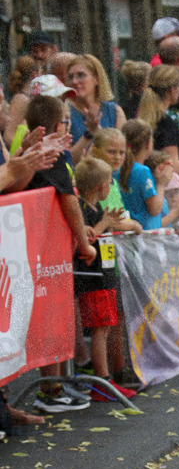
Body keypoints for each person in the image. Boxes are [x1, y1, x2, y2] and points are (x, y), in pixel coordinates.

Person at [24, 95, 97, 414]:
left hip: (48, 248)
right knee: (47, 318)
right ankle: (50, 390)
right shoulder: (51, 154)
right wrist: (84, 243)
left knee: (53, 315)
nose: (70, 125)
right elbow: (68, 200)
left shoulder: (47, 152)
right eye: (67, 120)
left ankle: (57, 384)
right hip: (45, 250)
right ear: (56, 125)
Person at [72, 157, 139, 402]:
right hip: (93, 279)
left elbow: (107, 227)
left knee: (108, 326)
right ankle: (102, 382)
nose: (110, 187)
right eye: (109, 183)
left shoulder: (96, 209)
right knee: (100, 330)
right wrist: (105, 223)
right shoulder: (81, 210)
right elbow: (85, 240)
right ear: (101, 186)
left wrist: (123, 224)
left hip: (106, 274)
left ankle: (106, 379)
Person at [66, 54, 125, 162]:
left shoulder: (115, 111)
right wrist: (89, 133)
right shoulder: (65, 113)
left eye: (81, 75)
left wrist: (98, 131)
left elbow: (120, 156)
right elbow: (68, 160)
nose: (74, 81)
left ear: (96, 79)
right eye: (70, 77)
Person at [119, 119, 172, 230]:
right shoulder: (142, 171)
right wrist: (161, 184)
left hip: (129, 235)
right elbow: (155, 209)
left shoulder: (119, 169)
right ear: (148, 144)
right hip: (146, 237)